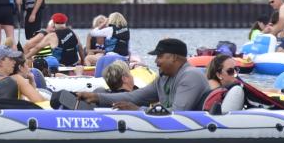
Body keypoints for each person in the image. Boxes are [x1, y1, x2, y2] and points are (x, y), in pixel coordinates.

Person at [77, 37, 210, 111]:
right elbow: (134, 97)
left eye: (160, 56)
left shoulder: (190, 76)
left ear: (174, 57)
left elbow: (178, 114)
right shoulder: (164, 78)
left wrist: (138, 112)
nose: (156, 61)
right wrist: (96, 97)